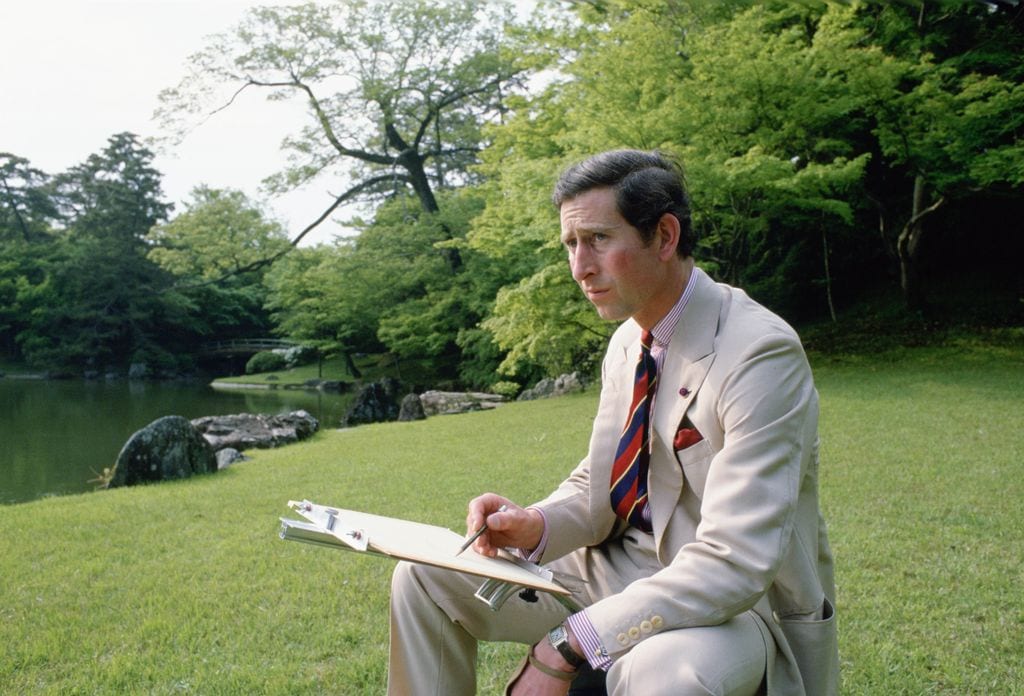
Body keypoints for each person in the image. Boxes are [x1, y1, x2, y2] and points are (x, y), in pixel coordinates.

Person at [388, 150, 838, 695]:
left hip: (731, 607)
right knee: (422, 575)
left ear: (665, 236)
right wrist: (535, 523)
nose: (580, 267)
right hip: (609, 571)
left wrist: (566, 644)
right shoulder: (628, 341)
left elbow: (736, 561)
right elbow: (604, 480)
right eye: (571, 245)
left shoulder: (760, 354)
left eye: (598, 239)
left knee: (663, 673)